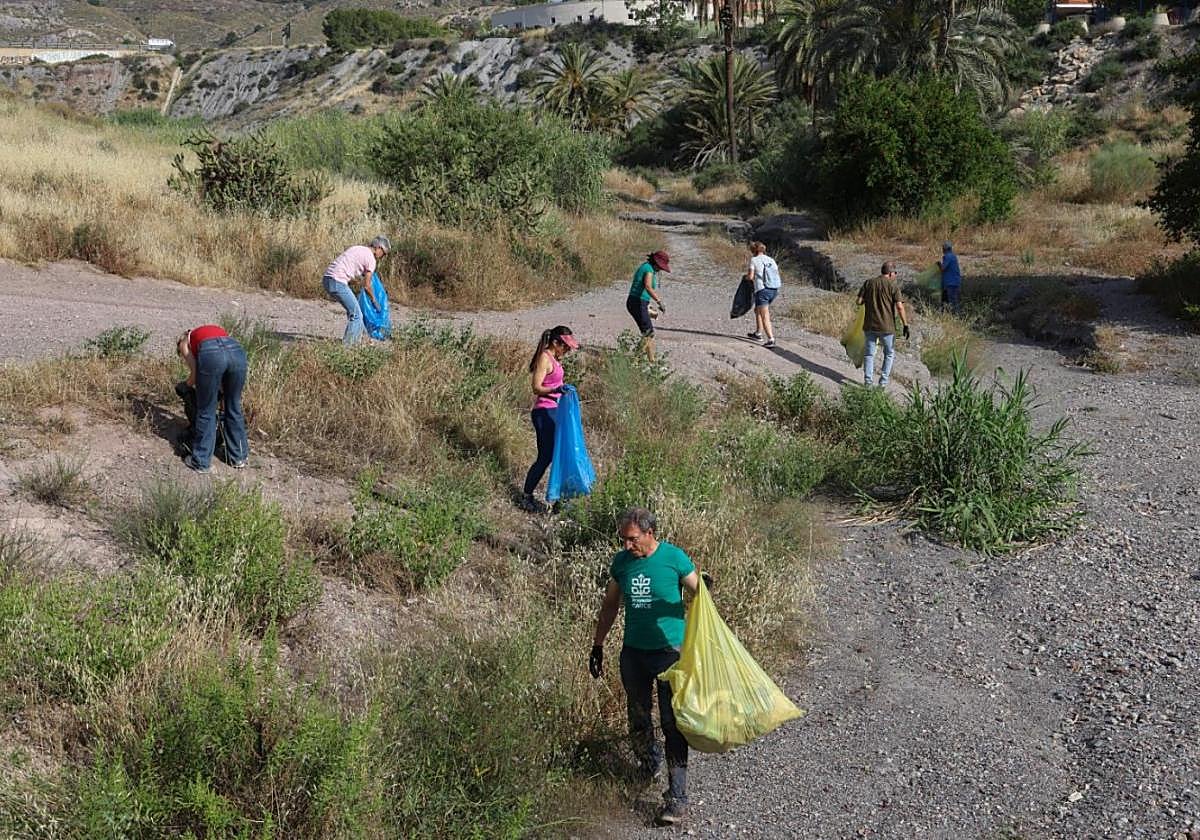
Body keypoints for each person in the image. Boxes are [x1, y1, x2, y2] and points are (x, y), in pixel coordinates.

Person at [589, 507, 700, 827]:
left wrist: (704, 587)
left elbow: (699, 593)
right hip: (634, 654)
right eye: (623, 539)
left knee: (672, 723)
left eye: (632, 539)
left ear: (650, 533)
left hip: (670, 654)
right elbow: (610, 604)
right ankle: (646, 766)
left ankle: (677, 799)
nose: (626, 545)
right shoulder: (621, 563)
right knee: (638, 717)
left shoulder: (674, 558)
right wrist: (597, 645)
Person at [520, 325, 579, 513]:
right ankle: (527, 496)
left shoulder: (555, 359)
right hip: (544, 412)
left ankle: (560, 501)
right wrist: (555, 390)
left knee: (559, 455)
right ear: (555, 342)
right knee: (546, 456)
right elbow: (536, 387)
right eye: (565, 346)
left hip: (555, 411)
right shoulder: (545, 358)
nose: (568, 350)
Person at [176, 325, 249, 473]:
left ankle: (201, 461)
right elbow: (224, 361)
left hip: (212, 355)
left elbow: (195, 374)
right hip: (236, 352)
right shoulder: (213, 332)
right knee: (232, 406)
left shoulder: (184, 342)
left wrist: (184, 386)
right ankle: (238, 457)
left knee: (206, 410)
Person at [322, 236, 389, 345]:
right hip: (338, 281)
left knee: (353, 311)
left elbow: (349, 266)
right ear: (378, 248)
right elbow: (367, 286)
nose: (383, 256)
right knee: (357, 315)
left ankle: (358, 338)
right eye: (384, 253)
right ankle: (348, 347)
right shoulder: (371, 260)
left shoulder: (357, 248)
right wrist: (374, 301)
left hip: (327, 279)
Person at [856, 262, 911, 388]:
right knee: (889, 354)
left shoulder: (868, 283)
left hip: (870, 325)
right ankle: (882, 383)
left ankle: (868, 383)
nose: (895, 276)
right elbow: (899, 307)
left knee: (869, 354)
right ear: (891, 273)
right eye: (895, 273)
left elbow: (858, 301)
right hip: (887, 327)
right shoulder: (893, 286)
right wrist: (905, 325)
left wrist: (868, 300)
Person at [627, 251, 670, 362]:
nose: (660, 270)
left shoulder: (647, 267)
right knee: (649, 333)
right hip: (637, 303)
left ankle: (651, 360)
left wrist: (648, 306)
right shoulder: (648, 269)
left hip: (639, 302)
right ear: (656, 263)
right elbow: (648, 287)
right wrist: (659, 302)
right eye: (660, 267)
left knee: (647, 333)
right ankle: (635, 358)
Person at [744, 241, 781, 348]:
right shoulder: (771, 260)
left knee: (765, 314)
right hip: (774, 289)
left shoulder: (754, 260)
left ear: (754, 250)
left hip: (762, 290)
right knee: (757, 310)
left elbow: (750, 277)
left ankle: (771, 339)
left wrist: (745, 277)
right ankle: (758, 333)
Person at [938, 241, 962, 314]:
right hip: (954, 282)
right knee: (946, 301)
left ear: (945, 249)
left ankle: (955, 316)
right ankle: (947, 315)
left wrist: (939, 264)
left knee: (952, 301)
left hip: (950, 283)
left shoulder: (947, 256)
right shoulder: (953, 256)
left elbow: (943, 268)